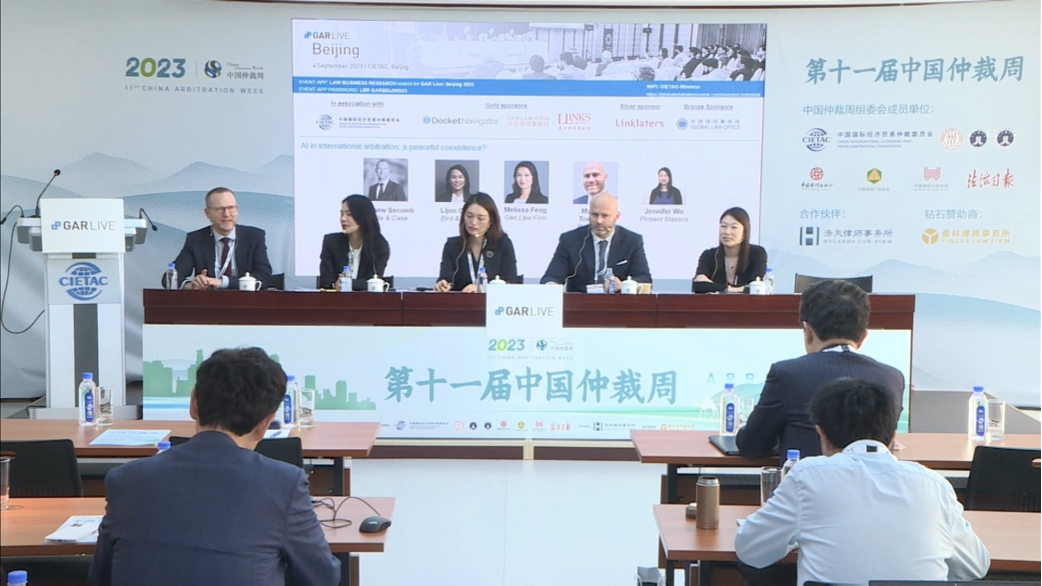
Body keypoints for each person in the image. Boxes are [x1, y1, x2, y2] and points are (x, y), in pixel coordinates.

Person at [89, 347, 341, 586]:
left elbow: (101, 576)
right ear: (265, 423)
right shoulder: (284, 483)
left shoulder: (126, 478)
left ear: (194, 404)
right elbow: (321, 576)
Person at [734, 378, 989, 585]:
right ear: (893, 437)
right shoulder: (933, 484)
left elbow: (750, 550)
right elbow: (975, 566)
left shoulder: (807, 476)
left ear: (821, 433)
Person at [736, 279, 906, 462]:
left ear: (808, 331)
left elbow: (752, 445)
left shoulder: (787, 373)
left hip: (805, 479)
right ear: (864, 336)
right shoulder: (893, 377)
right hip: (873, 480)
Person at [163, 187, 272, 290]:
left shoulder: (254, 237)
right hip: (208, 301)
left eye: (231, 208)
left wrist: (222, 282)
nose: (226, 214)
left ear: (237, 209)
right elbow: (169, 278)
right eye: (220, 209)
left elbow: (264, 277)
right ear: (207, 213)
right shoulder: (196, 240)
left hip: (246, 301)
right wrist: (191, 286)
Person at [541, 193, 651, 293]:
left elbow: (644, 279)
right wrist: (551, 287)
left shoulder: (632, 241)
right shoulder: (570, 240)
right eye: (594, 215)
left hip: (617, 304)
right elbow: (551, 278)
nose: (599, 221)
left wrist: (624, 285)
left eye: (605, 216)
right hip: (579, 304)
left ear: (616, 216)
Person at [435, 193, 518, 292]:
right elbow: (445, 278)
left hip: (493, 301)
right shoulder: (452, 246)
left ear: (491, 221)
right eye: (469, 216)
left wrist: (484, 289)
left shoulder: (502, 244)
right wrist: (442, 284)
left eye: (480, 218)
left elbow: (511, 283)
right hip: (460, 300)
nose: (473, 222)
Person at [318, 194, 391, 290]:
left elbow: (374, 282)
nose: (343, 219)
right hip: (335, 298)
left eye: (349, 214)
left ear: (362, 216)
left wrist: (348, 283)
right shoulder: (331, 242)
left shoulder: (378, 246)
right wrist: (335, 285)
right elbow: (325, 280)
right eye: (342, 214)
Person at [692, 207, 766, 293]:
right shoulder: (709, 255)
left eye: (734, 227)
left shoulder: (757, 254)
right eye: (723, 226)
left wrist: (713, 286)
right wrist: (732, 289)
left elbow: (756, 287)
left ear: (744, 232)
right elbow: (698, 285)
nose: (727, 232)